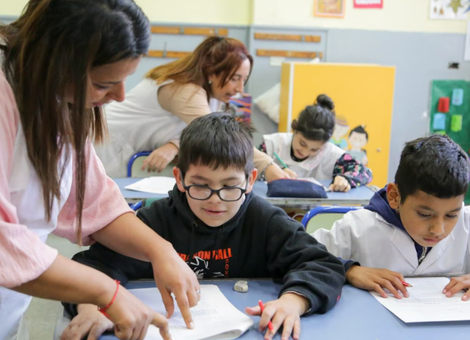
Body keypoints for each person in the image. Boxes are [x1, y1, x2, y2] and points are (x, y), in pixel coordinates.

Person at [0, 1, 199, 339]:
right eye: (104, 84)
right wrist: (107, 292)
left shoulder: (57, 100)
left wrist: (160, 250)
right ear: (56, 62)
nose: (120, 96)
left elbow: (94, 203)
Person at [61, 113, 346, 340]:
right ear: (180, 178)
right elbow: (90, 267)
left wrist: (293, 302)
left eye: (229, 186)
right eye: (201, 185)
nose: (215, 200)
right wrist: (90, 308)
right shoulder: (156, 222)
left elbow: (322, 265)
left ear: (250, 180)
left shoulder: (265, 220)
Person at [94, 36, 289, 181]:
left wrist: (174, 144)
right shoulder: (186, 90)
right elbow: (221, 136)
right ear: (212, 71)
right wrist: (269, 168)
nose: (239, 89)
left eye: (244, 80)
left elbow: (198, 130)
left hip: (129, 155)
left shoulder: (212, 94)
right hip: (107, 147)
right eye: (235, 78)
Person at [312, 135, 470, 301]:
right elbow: (303, 255)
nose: (438, 229)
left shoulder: (466, 223)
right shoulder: (357, 227)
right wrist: (349, 270)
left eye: (451, 215)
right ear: (395, 197)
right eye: (424, 214)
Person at [259, 94, 372, 192]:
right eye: (302, 143)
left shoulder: (332, 154)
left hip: (314, 213)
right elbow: (246, 168)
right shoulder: (272, 145)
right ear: (295, 129)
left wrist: (345, 179)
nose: (305, 151)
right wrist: (270, 170)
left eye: (314, 149)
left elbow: (365, 172)